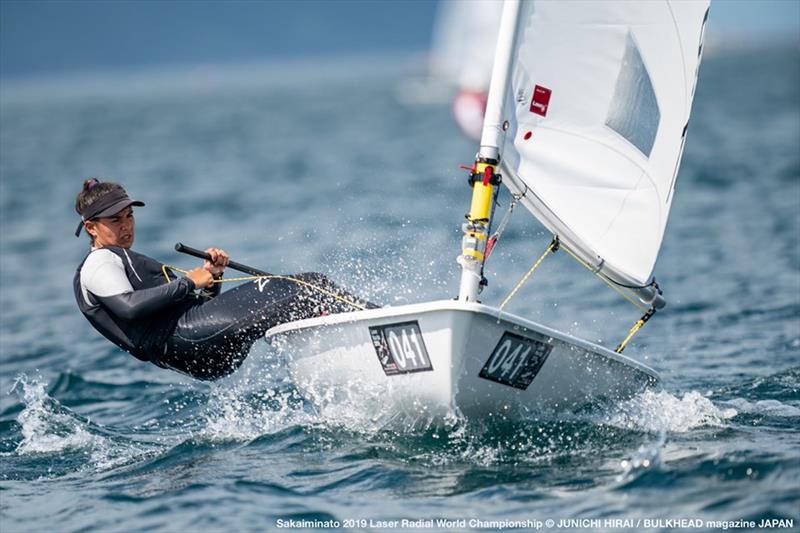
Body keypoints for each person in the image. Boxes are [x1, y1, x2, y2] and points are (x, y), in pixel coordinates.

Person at [73, 178, 374, 380]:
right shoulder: (99, 262)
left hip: (197, 349)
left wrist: (213, 278)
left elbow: (179, 308)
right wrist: (190, 281)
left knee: (297, 301)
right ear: (91, 227)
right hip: (185, 341)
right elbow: (129, 308)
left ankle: (353, 360)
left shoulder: (117, 259)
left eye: (129, 216)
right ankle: (381, 325)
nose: (126, 226)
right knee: (306, 286)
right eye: (115, 220)